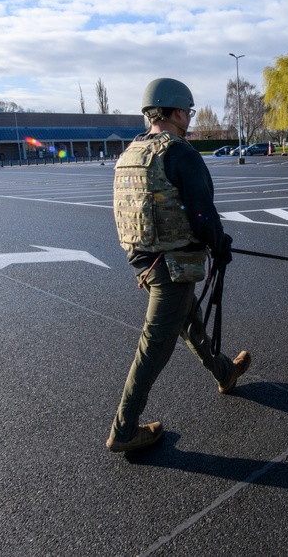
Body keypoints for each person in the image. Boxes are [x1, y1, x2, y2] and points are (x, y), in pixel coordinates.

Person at [106, 77, 250, 453]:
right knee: (153, 346)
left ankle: (225, 373)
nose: (189, 117)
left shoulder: (131, 153)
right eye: (186, 110)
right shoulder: (181, 153)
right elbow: (203, 212)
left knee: (190, 322)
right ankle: (124, 429)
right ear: (171, 111)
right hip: (172, 264)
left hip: (143, 262)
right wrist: (220, 245)